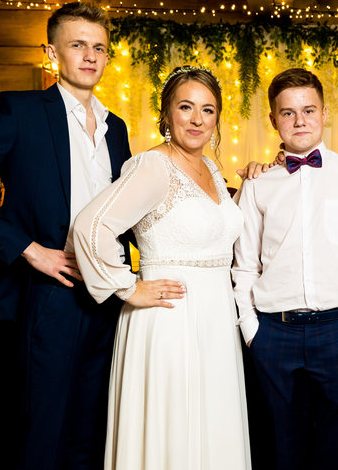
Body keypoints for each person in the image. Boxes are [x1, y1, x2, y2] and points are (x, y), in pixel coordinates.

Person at [0, 2, 132, 469]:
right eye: (78, 45)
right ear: (52, 52)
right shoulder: (20, 111)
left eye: (99, 47)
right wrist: (28, 249)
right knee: (39, 437)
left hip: (105, 297)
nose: (90, 56)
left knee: (90, 436)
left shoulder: (116, 128)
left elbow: (128, 211)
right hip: (44, 294)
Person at [73, 65, 250, 470]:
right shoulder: (152, 166)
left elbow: (217, 233)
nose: (197, 119)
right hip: (170, 320)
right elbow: (91, 226)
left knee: (212, 429)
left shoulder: (213, 170)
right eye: (186, 107)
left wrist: (256, 179)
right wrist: (126, 287)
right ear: (167, 113)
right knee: (172, 431)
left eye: (207, 110)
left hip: (216, 322)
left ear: (217, 119)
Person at [232, 68, 338, 470]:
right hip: (273, 334)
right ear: (273, 120)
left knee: (335, 452)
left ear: (324, 113)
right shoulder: (258, 183)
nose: (299, 120)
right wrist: (251, 331)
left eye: (308, 110)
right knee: (280, 452)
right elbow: (244, 265)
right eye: (288, 113)